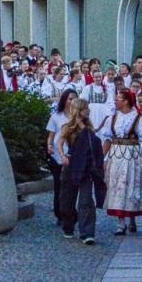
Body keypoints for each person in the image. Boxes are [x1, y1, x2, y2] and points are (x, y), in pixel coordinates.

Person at [101, 89, 142, 235]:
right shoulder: (112, 118)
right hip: (116, 155)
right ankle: (121, 223)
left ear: (125, 101)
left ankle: (132, 219)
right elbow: (107, 139)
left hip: (133, 155)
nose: (115, 101)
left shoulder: (139, 119)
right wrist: (102, 158)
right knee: (117, 186)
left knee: (132, 186)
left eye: (118, 99)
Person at [60, 104, 106, 245]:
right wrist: (63, 156)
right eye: (86, 108)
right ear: (80, 110)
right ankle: (69, 225)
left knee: (86, 201)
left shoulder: (89, 129)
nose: (89, 110)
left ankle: (87, 232)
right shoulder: (69, 127)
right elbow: (59, 142)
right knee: (67, 200)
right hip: (72, 166)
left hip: (87, 168)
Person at [46, 89, 78, 231]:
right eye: (70, 98)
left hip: (74, 156)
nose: (71, 101)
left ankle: (71, 211)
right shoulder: (56, 117)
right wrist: (49, 146)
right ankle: (60, 213)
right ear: (64, 100)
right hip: (58, 156)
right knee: (59, 186)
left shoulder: (78, 118)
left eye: (74, 99)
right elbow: (51, 136)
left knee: (73, 187)